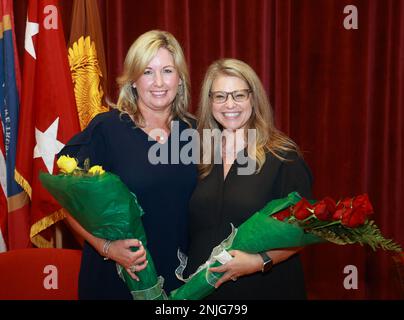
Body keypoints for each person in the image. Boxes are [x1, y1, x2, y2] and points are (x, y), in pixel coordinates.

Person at [60, 30, 198, 299]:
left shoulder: (196, 132)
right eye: (147, 72)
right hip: (114, 279)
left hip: (180, 280)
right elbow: (67, 204)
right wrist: (107, 248)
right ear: (133, 80)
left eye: (167, 70)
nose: (158, 82)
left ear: (180, 79)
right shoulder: (107, 129)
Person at [186, 58, 313, 299]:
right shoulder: (199, 154)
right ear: (209, 102)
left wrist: (258, 261)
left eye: (239, 95)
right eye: (220, 96)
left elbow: (304, 230)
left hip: (265, 286)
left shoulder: (282, 156)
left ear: (253, 99)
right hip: (204, 292)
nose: (229, 104)